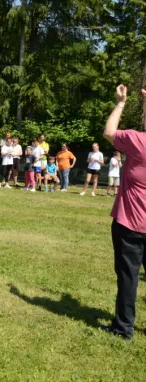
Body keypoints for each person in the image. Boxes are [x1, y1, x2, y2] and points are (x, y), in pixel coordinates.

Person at [100, 84, 146, 340]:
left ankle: (123, 328)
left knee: (128, 278)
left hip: (130, 225)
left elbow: (109, 132)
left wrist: (121, 103)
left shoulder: (138, 141)